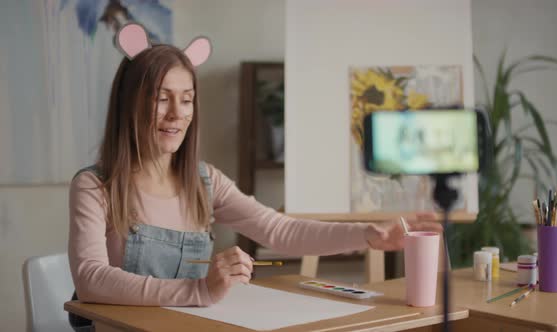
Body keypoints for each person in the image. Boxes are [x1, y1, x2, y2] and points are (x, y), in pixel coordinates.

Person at [68, 23, 442, 329]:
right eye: (161, 98)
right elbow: (91, 278)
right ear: (128, 102)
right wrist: (198, 290)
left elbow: (282, 231)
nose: (177, 114)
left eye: (187, 98)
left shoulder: (205, 181)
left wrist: (369, 235)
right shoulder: (94, 186)